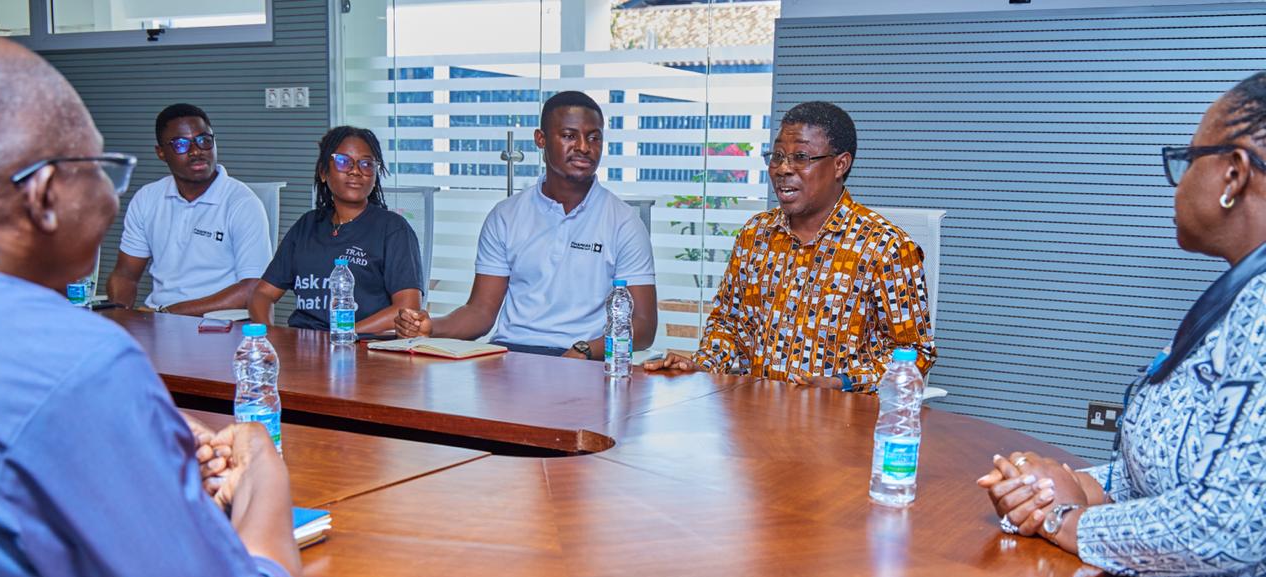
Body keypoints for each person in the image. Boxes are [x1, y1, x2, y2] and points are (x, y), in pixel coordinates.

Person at [0, 38, 413, 577]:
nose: (114, 200)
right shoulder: (77, 359)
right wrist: (264, 475)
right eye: (100, 173)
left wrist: (140, 432)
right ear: (43, 194)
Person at [897, 75, 1266, 577]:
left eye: (1185, 159)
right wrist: (1085, 481)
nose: (1178, 182)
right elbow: (1189, 462)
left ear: (1232, 174)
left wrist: (1074, 520)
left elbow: (1231, 519)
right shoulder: (1241, 298)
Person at [643, 101, 934, 392]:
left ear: (840, 164)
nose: (783, 169)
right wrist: (703, 364)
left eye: (801, 157)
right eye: (777, 156)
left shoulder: (886, 247)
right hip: (753, 416)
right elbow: (728, 324)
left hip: (842, 424)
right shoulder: (756, 235)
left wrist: (844, 383)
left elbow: (915, 352)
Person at [393, 91, 657, 359]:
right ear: (540, 139)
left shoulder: (624, 222)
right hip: (512, 356)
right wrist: (432, 327)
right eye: (569, 136)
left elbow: (644, 326)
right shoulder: (505, 216)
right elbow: (481, 312)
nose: (584, 147)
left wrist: (586, 351)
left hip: (583, 359)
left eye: (594, 137)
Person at [248, 126, 423, 333]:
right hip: (302, 346)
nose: (355, 170)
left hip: (362, 348)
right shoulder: (307, 225)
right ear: (323, 172)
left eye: (366, 164)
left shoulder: (393, 229)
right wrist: (268, 337)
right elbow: (263, 294)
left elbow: (407, 307)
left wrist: (344, 334)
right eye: (343, 161)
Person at [105, 103, 272, 315]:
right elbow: (125, 275)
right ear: (161, 153)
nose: (196, 151)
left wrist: (169, 313)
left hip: (218, 326)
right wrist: (121, 316)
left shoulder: (242, 203)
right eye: (181, 144)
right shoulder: (147, 198)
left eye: (204, 141)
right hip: (158, 321)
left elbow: (254, 288)